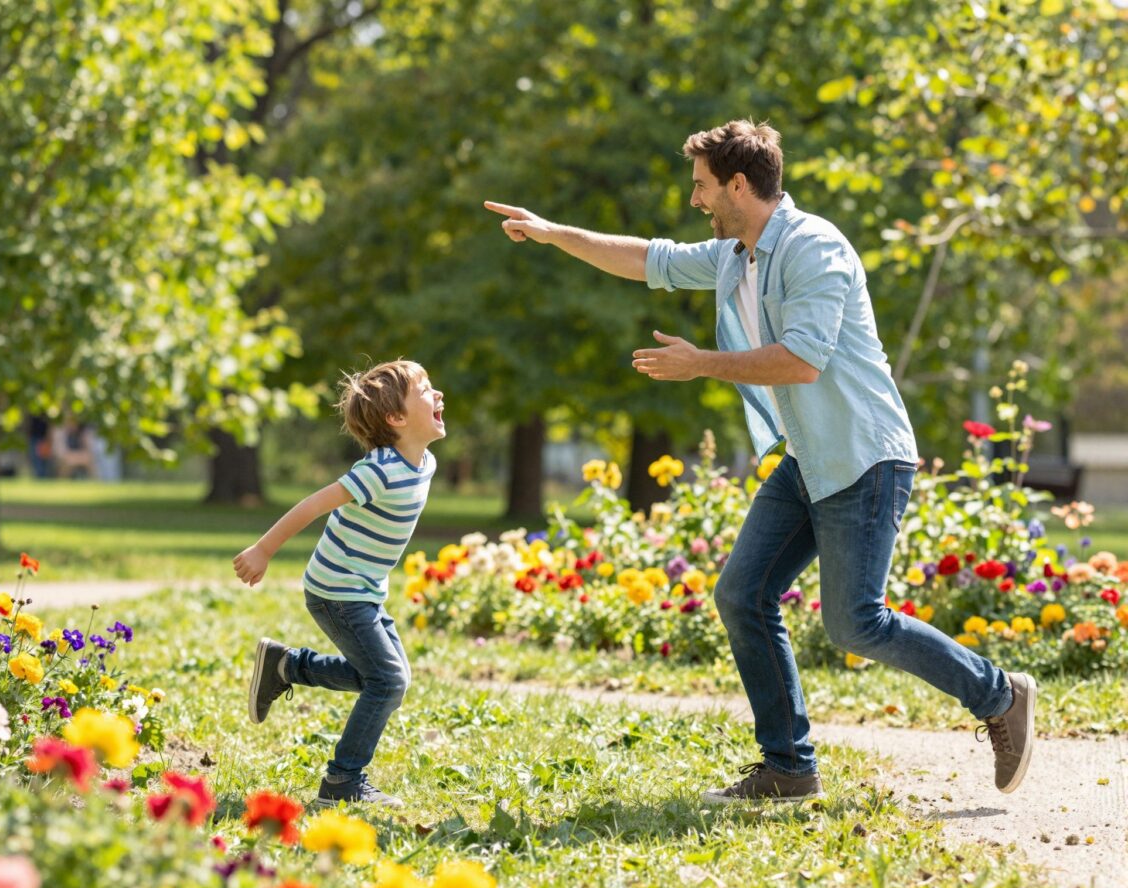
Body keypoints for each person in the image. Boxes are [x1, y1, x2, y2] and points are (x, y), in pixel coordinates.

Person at [485, 120, 1035, 803]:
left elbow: (803, 362)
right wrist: (551, 232)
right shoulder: (735, 255)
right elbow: (645, 258)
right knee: (742, 594)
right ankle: (789, 767)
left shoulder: (813, 248)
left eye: (702, 187)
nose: (695, 202)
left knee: (854, 622)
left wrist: (699, 365)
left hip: (863, 457)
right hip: (808, 458)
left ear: (738, 185)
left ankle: (1000, 695)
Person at [233, 360, 446, 808]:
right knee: (387, 682)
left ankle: (286, 666)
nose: (438, 395)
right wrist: (263, 550)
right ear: (396, 419)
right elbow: (314, 505)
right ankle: (342, 781)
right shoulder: (380, 470)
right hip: (337, 592)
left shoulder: (424, 462)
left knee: (384, 678)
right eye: (426, 390)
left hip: (363, 591)